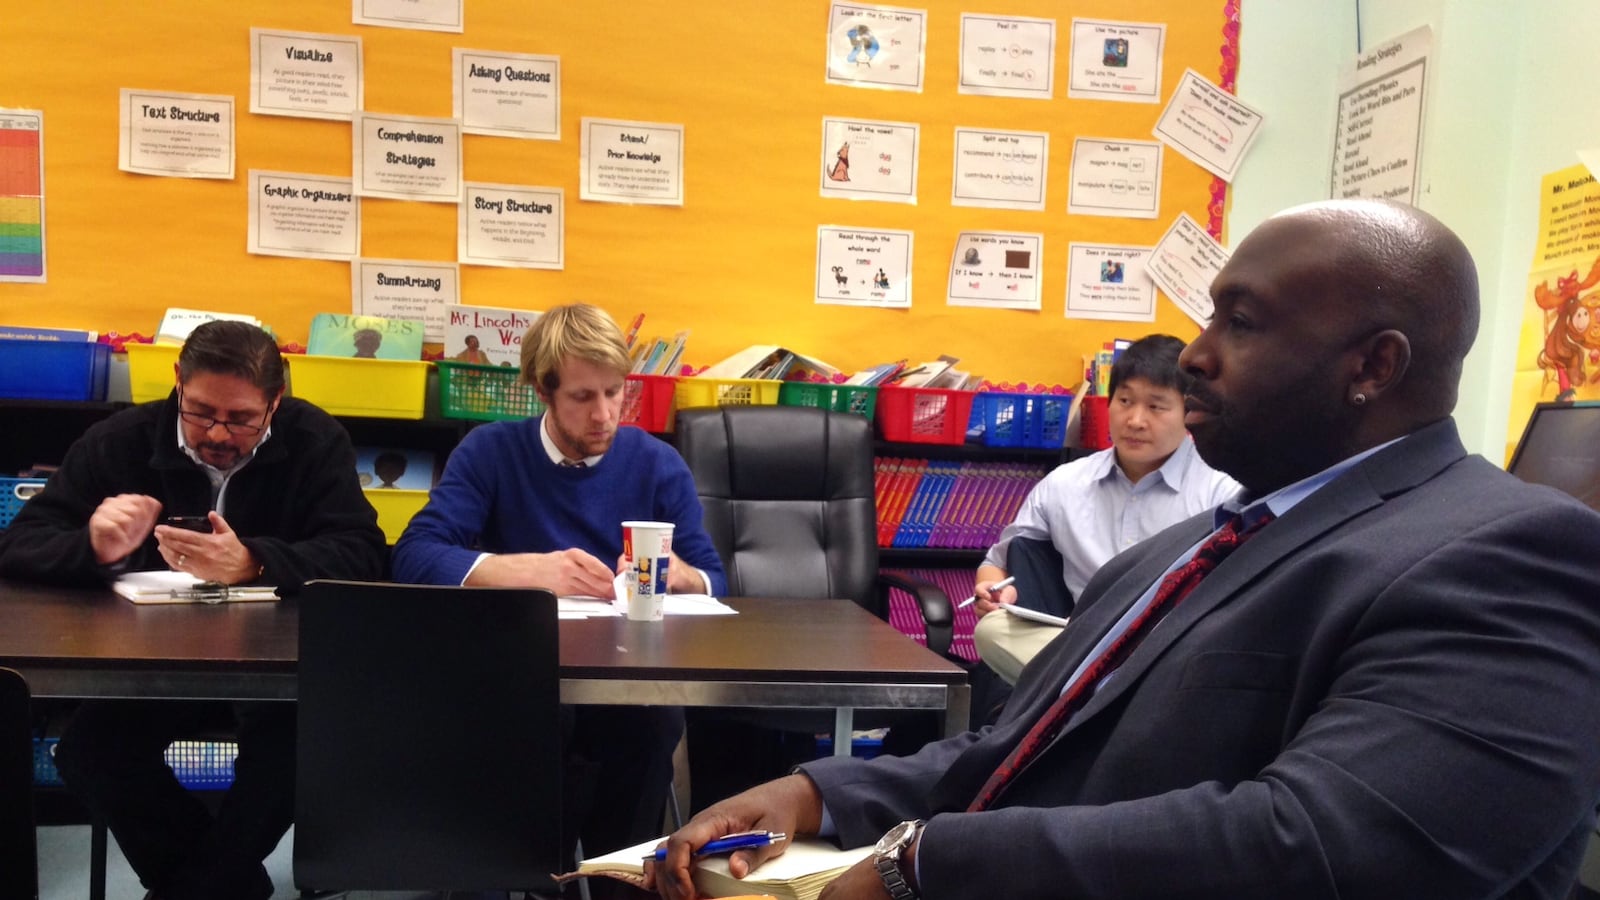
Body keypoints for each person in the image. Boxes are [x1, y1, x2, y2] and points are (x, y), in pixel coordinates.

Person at [649, 200, 1600, 900]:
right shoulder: (1192, 545)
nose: (1192, 353)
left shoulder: (1511, 553)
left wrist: (918, 865)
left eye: (1243, 321)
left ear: (1372, 367)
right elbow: (1020, 751)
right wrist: (816, 794)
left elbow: (1324, 847)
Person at [0, 320, 387, 900]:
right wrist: (92, 546)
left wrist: (255, 561)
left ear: (275, 401)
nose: (218, 434)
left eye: (242, 419)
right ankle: (222, 887)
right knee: (90, 751)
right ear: (178, 382)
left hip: (279, 665)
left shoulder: (313, 439)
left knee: (303, 750)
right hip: (152, 661)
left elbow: (363, 552)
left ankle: (200, 888)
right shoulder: (122, 439)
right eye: (200, 410)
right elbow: (19, 544)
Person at [392, 302, 728, 866]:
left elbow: (713, 578)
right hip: (520, 670)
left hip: (628, 676)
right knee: (538, 726)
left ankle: (616, 874)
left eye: (614, 392)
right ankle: (534, 871)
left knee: (650, 723)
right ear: (543, 393)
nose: (604, 414)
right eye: (582, 397)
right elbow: (415, 555)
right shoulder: (491, 451)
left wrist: (677, 575)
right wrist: (525, 570)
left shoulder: (657, 463)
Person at [970, 334, 1240, 685]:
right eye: (1125, 400)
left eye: (1156, 407)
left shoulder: (1221, 490)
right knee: (993, 631)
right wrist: (992, 592)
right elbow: (996, 564)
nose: (1136, 420)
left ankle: (1083, 694)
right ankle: (1099, 693)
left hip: (1170, 648)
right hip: (1080, 644)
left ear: (1188, 411)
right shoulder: (1065, 484)